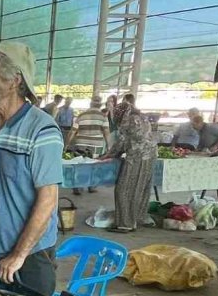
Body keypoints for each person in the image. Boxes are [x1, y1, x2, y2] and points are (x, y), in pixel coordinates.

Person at [0, 42, 62, 294]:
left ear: (14, 80)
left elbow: (48, 200)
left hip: (28, 258)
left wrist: (19, 255)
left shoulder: (42, 129)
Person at [99, 93, 156, 233]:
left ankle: (125, 224)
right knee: (139, 190)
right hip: (150, 156)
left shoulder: (129, 120)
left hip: (137, 158)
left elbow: (122, 142)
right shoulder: (142, 117)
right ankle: (135, 220)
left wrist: (107, 155)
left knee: (123, 190)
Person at [64, 96, 111, 194]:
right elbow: (106, 131)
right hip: (96, 145)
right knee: (94, 165)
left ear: (90, 104)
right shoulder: (103, 116)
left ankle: (77, 186)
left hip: (80, 143)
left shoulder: (81, 115)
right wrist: (109, 146)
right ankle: (91, 186)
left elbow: (73, 131)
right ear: (100, 104)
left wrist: (66, 144)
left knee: (80, 164)